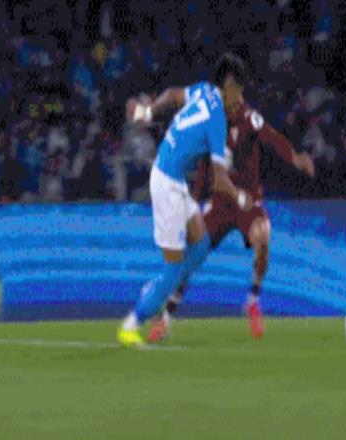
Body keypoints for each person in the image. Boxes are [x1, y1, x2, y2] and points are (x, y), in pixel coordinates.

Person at [148, 91, 315, 342]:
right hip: (220, 202)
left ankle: (253, 301)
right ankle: (166, 318)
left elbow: (274, 140)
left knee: (262, 234)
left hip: (248, 200)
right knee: (191, 256)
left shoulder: (249, 118)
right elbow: (203, 165)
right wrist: (197, 200)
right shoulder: (210, 125)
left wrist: (297, 159)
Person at [117, 53, 254, 347]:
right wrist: (240, 197)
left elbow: (173, 94)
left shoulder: (205, 91)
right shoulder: (217, 120)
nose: (241, 99)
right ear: (229, 85)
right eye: (239, 91)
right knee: (172, 269)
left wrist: (148, 112)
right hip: (166, 185)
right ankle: (132, 323)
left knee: (201, 244)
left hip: (175, 181)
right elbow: (219, 180)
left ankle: (157, 290)